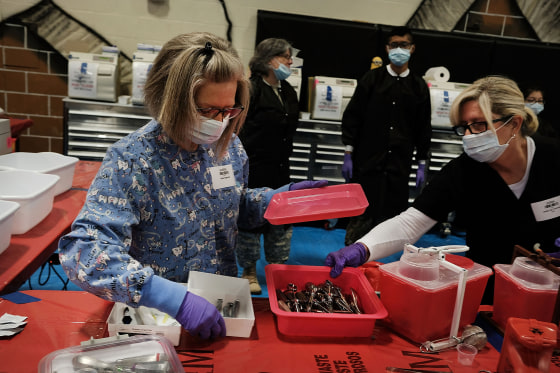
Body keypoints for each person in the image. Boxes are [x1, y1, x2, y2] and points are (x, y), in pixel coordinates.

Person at [58, 32, 326, 339]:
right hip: (156, 316)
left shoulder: (229, 148)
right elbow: (85, 251)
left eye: (228, 110)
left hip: (220, 299)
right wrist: (167, 296)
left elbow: (231, 207)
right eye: (207, 110)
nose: (220, 121)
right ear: (168, 100)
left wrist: (272, 202)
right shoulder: (133, 160)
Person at [326, 75, 560, 304]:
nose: (468, 136)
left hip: (549, 289)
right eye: (463, 127)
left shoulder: (553, 158)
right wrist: (362, 248)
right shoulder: (464, 171)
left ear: (514, 124)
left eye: (479, 124)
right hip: (488, 292)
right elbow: (411, 223)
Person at [341, 26, 432, 246]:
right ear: (386, 48)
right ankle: (352, 255)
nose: (398, 49)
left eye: (404, 45)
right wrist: (348, 152)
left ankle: (383, 266)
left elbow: (423, 126)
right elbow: (353, 116)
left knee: (392, 220)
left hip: (399, 164)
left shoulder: (419, 86)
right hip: (367, 161)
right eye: (394, 45)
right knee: (362, 214)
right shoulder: (371, 80)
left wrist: (422, 162)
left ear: (412, 48)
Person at [235, 38, 300, 294]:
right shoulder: (250, 89)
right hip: (253, 168)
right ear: (269, 60)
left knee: (280, 220)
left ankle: (277, 268)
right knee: (250, 220)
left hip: (280, 168)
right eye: (285, 57)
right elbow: (236, 130)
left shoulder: (288, 90)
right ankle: (249, 270)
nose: (290, 62)